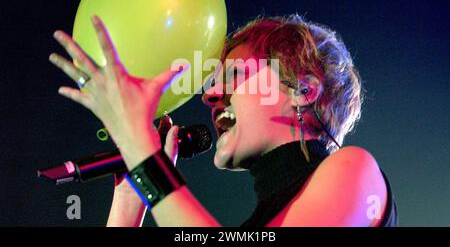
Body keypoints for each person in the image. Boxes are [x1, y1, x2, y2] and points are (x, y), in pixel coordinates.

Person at [49, 14, 398, 227]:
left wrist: (143, 152)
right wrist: (133, 195)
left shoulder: (356, 171)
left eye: (234, 74)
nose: (210, 95)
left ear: (303, 90)